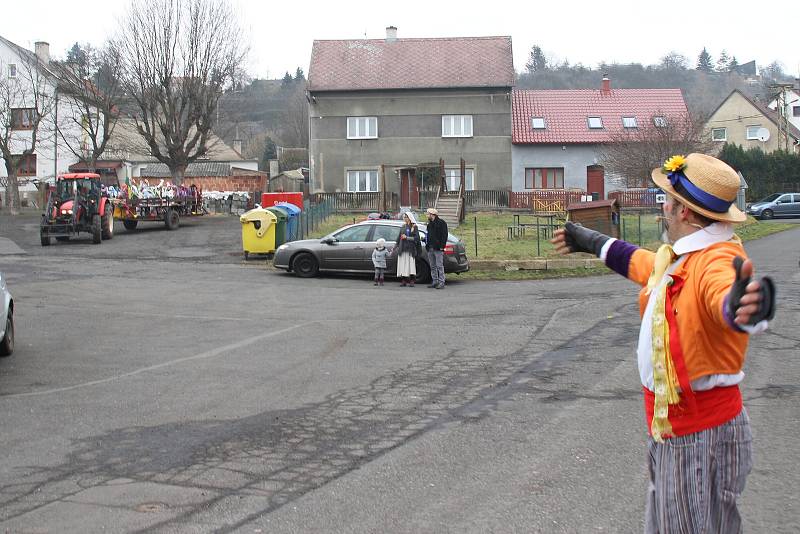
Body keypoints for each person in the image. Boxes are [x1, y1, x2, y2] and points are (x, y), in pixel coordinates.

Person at [551, 153, 775, 533]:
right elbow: (642, 263)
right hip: (683, 432)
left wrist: (741, 306)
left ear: (684, 213)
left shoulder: (716, 260)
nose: (662, 209)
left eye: (666, 201)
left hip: (698, 438)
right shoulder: (684, 256)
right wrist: (591, 241)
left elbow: (720, 292)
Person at [394, 213, 421, 287]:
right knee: (403, 265)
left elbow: (417, 239)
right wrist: (395, 247)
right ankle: (404, 280)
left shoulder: (414, 227)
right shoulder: (403, 226)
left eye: (406, 217)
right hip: (402, 248)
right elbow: (398, 238)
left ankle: (412, 280)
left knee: (410, 265)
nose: (405, 218)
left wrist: (407, 238)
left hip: (410, 249)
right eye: (404, 217)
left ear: (409, 218)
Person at [425, 207, 448, 289]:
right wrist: (426, 243)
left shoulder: (442, 223)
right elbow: (428, 235)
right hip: (430, 247)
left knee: (439, 266)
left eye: (428, 214)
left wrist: (442, 246)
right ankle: (435, 281)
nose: (427, 215)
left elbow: (444, 235)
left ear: (432, 214)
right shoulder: (429, 224)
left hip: (438, 248)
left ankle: (441, 282)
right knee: (432, 266)